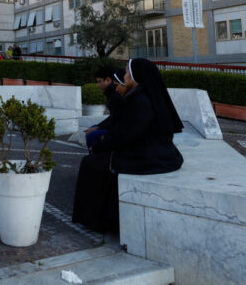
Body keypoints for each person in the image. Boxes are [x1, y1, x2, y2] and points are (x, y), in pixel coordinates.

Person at [72, 58, 184, 233]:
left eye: (126, 72)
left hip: (149, 155)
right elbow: (126, 131)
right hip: (150, 150)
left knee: (92, 164)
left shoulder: (140, 100)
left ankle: (102, 222)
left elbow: (127, 134)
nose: (124, 76)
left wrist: (101, 146)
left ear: (135, 76)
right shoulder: (141, 96)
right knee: (97, 161)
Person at [83, 67, 129, 150]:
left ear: (108, 80)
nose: (97, 85)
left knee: (91, 135)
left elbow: (116, 118)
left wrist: (98, 128)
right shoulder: (111, 93)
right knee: (92, 129)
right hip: (116, 126)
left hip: (119, 129)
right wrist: (97, 126)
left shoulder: (115, 95)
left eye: (99, 81)